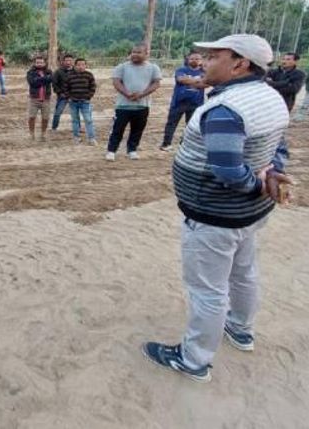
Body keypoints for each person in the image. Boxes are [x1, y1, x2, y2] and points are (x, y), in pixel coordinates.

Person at [141, 34, 292, 383]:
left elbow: (227, 171)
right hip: (250, 213)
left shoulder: (226, 109)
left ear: (239, 63)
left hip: (215, 215)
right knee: (243, 272)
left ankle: (193, 359)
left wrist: (259, 182)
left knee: (207, 289)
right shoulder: (270, 97)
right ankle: (240, 329)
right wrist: (270, 175)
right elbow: (277, 145)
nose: (204, 61)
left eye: (213, 56)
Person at [106, 44, 162, 161]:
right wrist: (126, 93)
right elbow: (116, 82)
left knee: (137, 130)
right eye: (133, 52)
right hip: (123, 105)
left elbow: (156, 83)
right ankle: (111, 150)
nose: (135, 54)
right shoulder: (122, 67)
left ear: (146, 54)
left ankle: (132, 150)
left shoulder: (153, 68)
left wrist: (142, 94)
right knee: (118, 129)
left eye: (138, 52)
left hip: (142, 105)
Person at [160, 52, 206, 151]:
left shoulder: (205, 72)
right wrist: (199, 81)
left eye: (197, 59)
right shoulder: (181, 70)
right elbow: (181, 80)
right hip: (178, 102)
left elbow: (207, 84)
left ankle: (184, 144)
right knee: (171, 123)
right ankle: (166, 144)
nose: (195, 60)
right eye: (192, 58)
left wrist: (190, 80)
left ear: (201, 61)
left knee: (191, 125)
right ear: (188, 59)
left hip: (196, 103)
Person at [63, 58, 97, 145]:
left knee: (88, 120)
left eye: (83, 64)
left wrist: (88, 96)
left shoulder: (89, 75)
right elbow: (65, 88)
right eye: (78, 65)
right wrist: (69, 97)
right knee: (75, 120)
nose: (81, 66)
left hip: (85, 102)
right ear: (75, 65)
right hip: (73, 102)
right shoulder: (69, 75)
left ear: (86, 65)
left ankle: (91, 138)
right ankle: (76, 138)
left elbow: (93, 87)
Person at [26, 56, 54, 141]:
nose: (39, 64)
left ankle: (43, 134)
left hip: (46, 99)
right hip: (34, 99)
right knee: (31, 117)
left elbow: (51, 79)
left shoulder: (49, 72)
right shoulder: (30, 72)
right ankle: (31, 134)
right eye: (37, 62)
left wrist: (38, 80)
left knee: (45, 118)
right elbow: (32, 83)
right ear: (34, 63)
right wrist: (45, 79)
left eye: (41, 62)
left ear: (44, 63)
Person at [51, 54, 76, 131]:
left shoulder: (76, 71)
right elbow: (54, 84)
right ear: (63, 62)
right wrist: (59, 93)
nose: (68, 62)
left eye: (70, 60)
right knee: (57, 113)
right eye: (66, 60)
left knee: (75, 113)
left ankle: (76, 128)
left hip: (74, 96)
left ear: (73, 61)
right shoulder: (58, 72)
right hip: (62, 96)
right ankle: (54, 128)